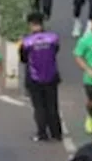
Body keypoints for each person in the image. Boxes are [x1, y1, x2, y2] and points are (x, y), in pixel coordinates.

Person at [18, 12, 61, 142]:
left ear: (30, 25)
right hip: (52, 76)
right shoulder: (53, 38)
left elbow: (23, 58)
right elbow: (56, 51)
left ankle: (42, 133)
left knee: (39, 107)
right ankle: (56, 133)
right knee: (52, 105)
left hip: (34, 78)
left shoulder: (27, 42)